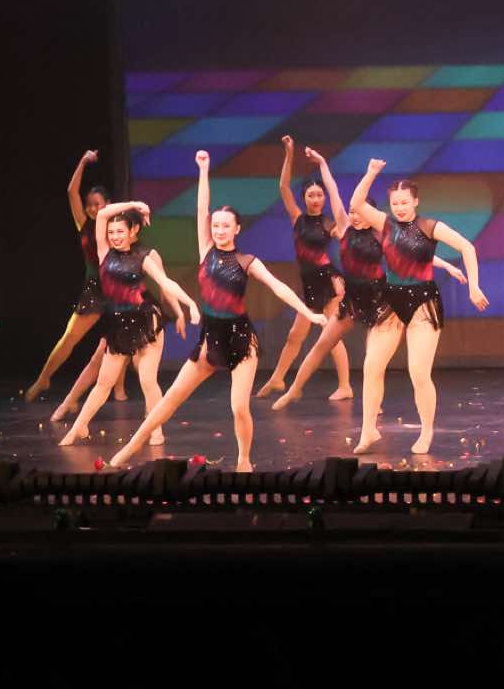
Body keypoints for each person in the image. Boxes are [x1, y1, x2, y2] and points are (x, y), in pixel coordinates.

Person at [107, 151, 323, 471]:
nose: (219, 230)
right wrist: (204, 170)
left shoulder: (247, 262)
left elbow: (278, 287)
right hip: (210, 340)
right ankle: (131, 447)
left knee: (238, 407)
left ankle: (244, 460)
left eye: (226, 226)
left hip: (241, 341)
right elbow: (201, 208)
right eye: (216, 225)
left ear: (237, 229)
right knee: (170, 399)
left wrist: (309, 312)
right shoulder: (206, 250)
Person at [273, 151, 465, 410]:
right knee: (322, 344)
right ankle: (294, 390)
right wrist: (323, 164)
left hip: (377, 298)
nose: (354, 215)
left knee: (373, 359)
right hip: (351, 298)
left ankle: (374, 404)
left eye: (358, 212)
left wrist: (446, 266)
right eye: (351, 212)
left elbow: (413, 254)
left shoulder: (381, 233)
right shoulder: (343, 228)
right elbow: (334, 193)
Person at [345, 161, 489, 456]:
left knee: (418, 373)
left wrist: (474, 286)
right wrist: (371, 173)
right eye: (395, 203)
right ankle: (368, 429)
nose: (399, 208)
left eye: (404, 203)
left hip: (423, 302)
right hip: (391, 300)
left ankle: (426, 431)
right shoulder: (384, 224)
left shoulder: (430, 227)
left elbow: (467, 247)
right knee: (372, 366)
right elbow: (356, 203)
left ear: (415, 202)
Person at [58, 200, 200, 448]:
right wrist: (134, 204)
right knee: (103, 383)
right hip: (119, 325)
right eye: (111, 232)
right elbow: (103, 213)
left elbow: (165, 283)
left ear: (131, 231)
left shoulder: (143, 257)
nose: (115, 236)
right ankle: (78, 426)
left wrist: (189, 304)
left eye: (120, 231)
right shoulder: (104, 253)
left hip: (145, 322)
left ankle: (156, 430)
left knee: (147, 380)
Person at [257, 136, 352, 396]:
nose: (316, 198)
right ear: (304, 198)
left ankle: (345, 386)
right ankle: (278, 379)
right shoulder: (297, 218)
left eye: (320, 194)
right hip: (309, 285)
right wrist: (289, 153)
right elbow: (283, 186)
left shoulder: (329, 224)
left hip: (328, 284)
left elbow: (346, 237)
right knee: (295, 335)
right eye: (311, 195)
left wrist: (342, 279)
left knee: (331, 337)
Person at [24, 150, 115, 402]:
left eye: (98, 204)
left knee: (120, 339)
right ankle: (43, 379)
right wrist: (83, 161)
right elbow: (71, 192)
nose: (93, 208)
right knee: (70, 337)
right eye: (90, 204)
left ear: (108, 204)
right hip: (95, 288)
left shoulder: (117, 226)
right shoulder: (84, 223)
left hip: (117, 287)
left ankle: (118, 389)